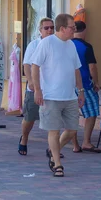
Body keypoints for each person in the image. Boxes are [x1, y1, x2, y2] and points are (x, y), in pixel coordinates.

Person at [31, 13, 84, 178]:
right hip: (51, 96)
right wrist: (38, 90)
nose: (74, 30)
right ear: (63, 28)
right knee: (53, 131)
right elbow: (34, 66)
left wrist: (80, 91)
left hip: (70, 96)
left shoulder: (71, 45)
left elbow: (77, 69)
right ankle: (57, 163)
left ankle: (53, 151)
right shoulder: (47, 43)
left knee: (72, 130)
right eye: (72, 27)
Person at [19, 18, 54, 156]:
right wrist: (31, 82)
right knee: (30, 118)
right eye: (46, 28)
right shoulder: (34, 45)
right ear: (40, 30)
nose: (50, 30)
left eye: (52, 27)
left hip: (52, 88)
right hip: (35, 88)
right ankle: (24, 138)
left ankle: (53, 148)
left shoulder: (58, 44)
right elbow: (27, 64)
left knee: (53, 120)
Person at [71, 21, 101, 153]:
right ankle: (86, 141)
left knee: (71, 115)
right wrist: (96, 82)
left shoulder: (68, 45)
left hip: (68, 84)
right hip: (84, 84)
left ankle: (75, 144)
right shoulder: (86, 47)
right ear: (84, 30)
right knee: (91, 112)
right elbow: (92, 67)